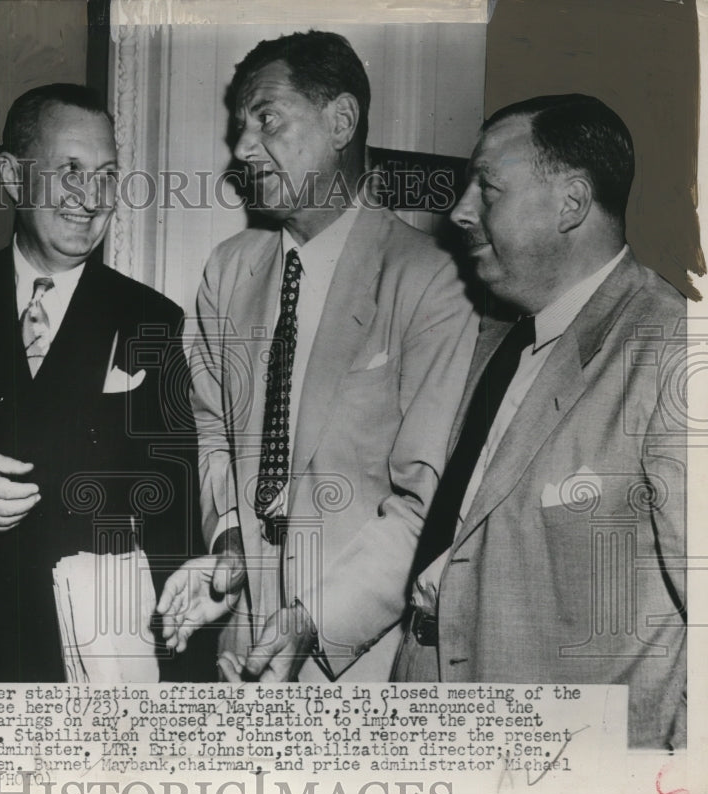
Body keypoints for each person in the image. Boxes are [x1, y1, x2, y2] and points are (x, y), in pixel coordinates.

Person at [158, 31, 477, 682]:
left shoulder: (429, 279)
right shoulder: (228, 271)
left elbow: (426, 500)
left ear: (340, 121)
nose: (244, 149)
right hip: (242, 649)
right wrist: (228, 550)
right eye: (240, 127)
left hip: (360, 660)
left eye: (267, 119)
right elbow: (215, 432)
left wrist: (316, 618)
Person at [392, 94, 687, 749]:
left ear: (572, 204)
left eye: (487, 188)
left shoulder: (675, 351)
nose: (460, 210)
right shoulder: (502, 343)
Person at [0, 84, 205, 683]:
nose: (91, 199)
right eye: (69, 171)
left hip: (84, 670)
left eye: (107, 175)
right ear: (12, 178)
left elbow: (177, 514)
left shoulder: (154, 321)